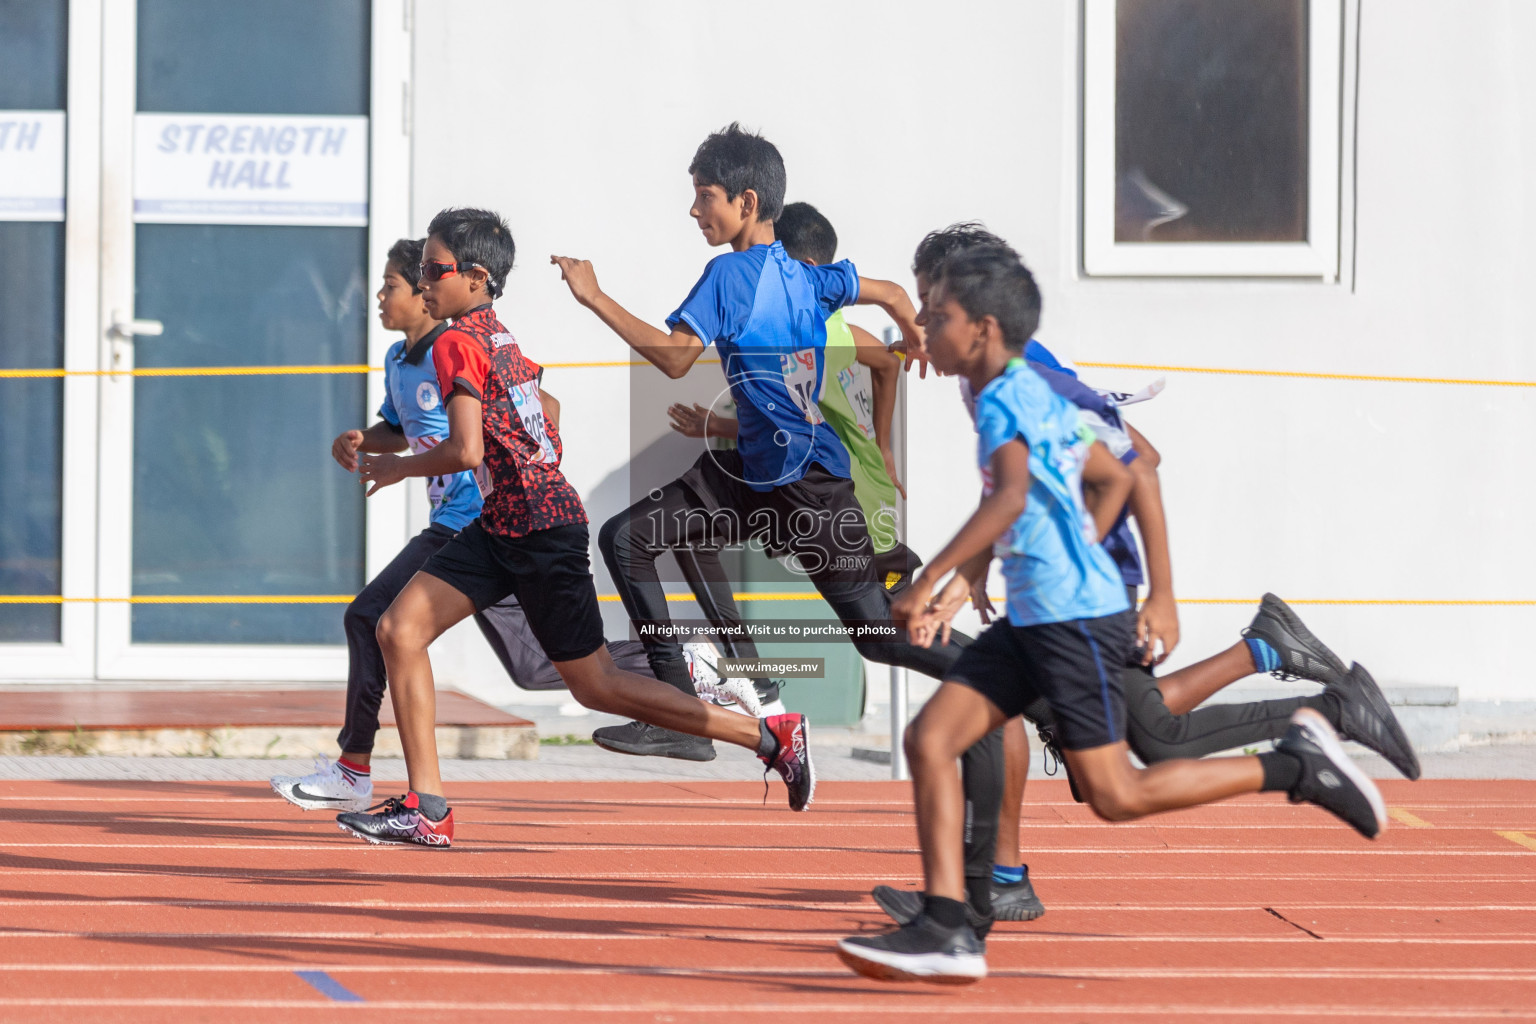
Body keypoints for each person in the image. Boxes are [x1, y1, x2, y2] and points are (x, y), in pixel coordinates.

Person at [836, 243, 1386, 984]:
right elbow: (1120, 477)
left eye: (939, 316)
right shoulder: (1017, 391)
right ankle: (948, 928)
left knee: (1117, 792)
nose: (922, 328)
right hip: (1038, 615)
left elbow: (1012, 496)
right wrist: (1084, 559)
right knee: (932, 740)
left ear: (986, 328)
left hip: (1073, 622)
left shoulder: (1012, 396)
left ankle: (1297, 768)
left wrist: (932, 583)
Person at [332, 208, 815, 848]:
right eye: (420, 270)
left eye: (432, 270)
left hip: (536, 527)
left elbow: (467, 451)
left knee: (597, 686)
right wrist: (530, 449)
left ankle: (768, 735)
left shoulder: (455, 343)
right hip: (505, 521)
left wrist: (398, 466)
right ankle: (429, 809)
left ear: (476, 278)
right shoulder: (498, 336)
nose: (423, 282)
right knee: (397, 628)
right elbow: (542, 404)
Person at [550, 124, 967, 758]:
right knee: (629, 538)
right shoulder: (806, 276)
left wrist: (594, 296)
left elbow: (673, 359)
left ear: (747, 202)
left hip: (808, 486)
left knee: (878, 635)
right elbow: (887, 291)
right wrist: (915, 329)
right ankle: (681, 715)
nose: (694, 210)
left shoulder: (729, 275)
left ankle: (1007, 678)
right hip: (751, 472)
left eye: (704, 196)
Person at [270, 238, 660, 814]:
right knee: (539, 668)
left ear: (428, 295)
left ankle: (358, 771)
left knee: (374, 617)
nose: (381, 296)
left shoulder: (454, 346)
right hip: (498, 530)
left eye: (395, 284)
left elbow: (533, 409)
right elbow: (401, 427)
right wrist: (364, 440)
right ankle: (680, 668)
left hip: (473, 519)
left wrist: (527, 465)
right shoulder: (400, 361)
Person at [649, 201, 921, 740]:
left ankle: (1000, 677)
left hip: (844, 493)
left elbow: (793, 416)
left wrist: (880, 448)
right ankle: (749, 681)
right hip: (846, 485)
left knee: (881, 631)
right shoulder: (830, 322)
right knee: (689, 533)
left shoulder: (821, 326)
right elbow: (884, 362)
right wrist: (883, 445)